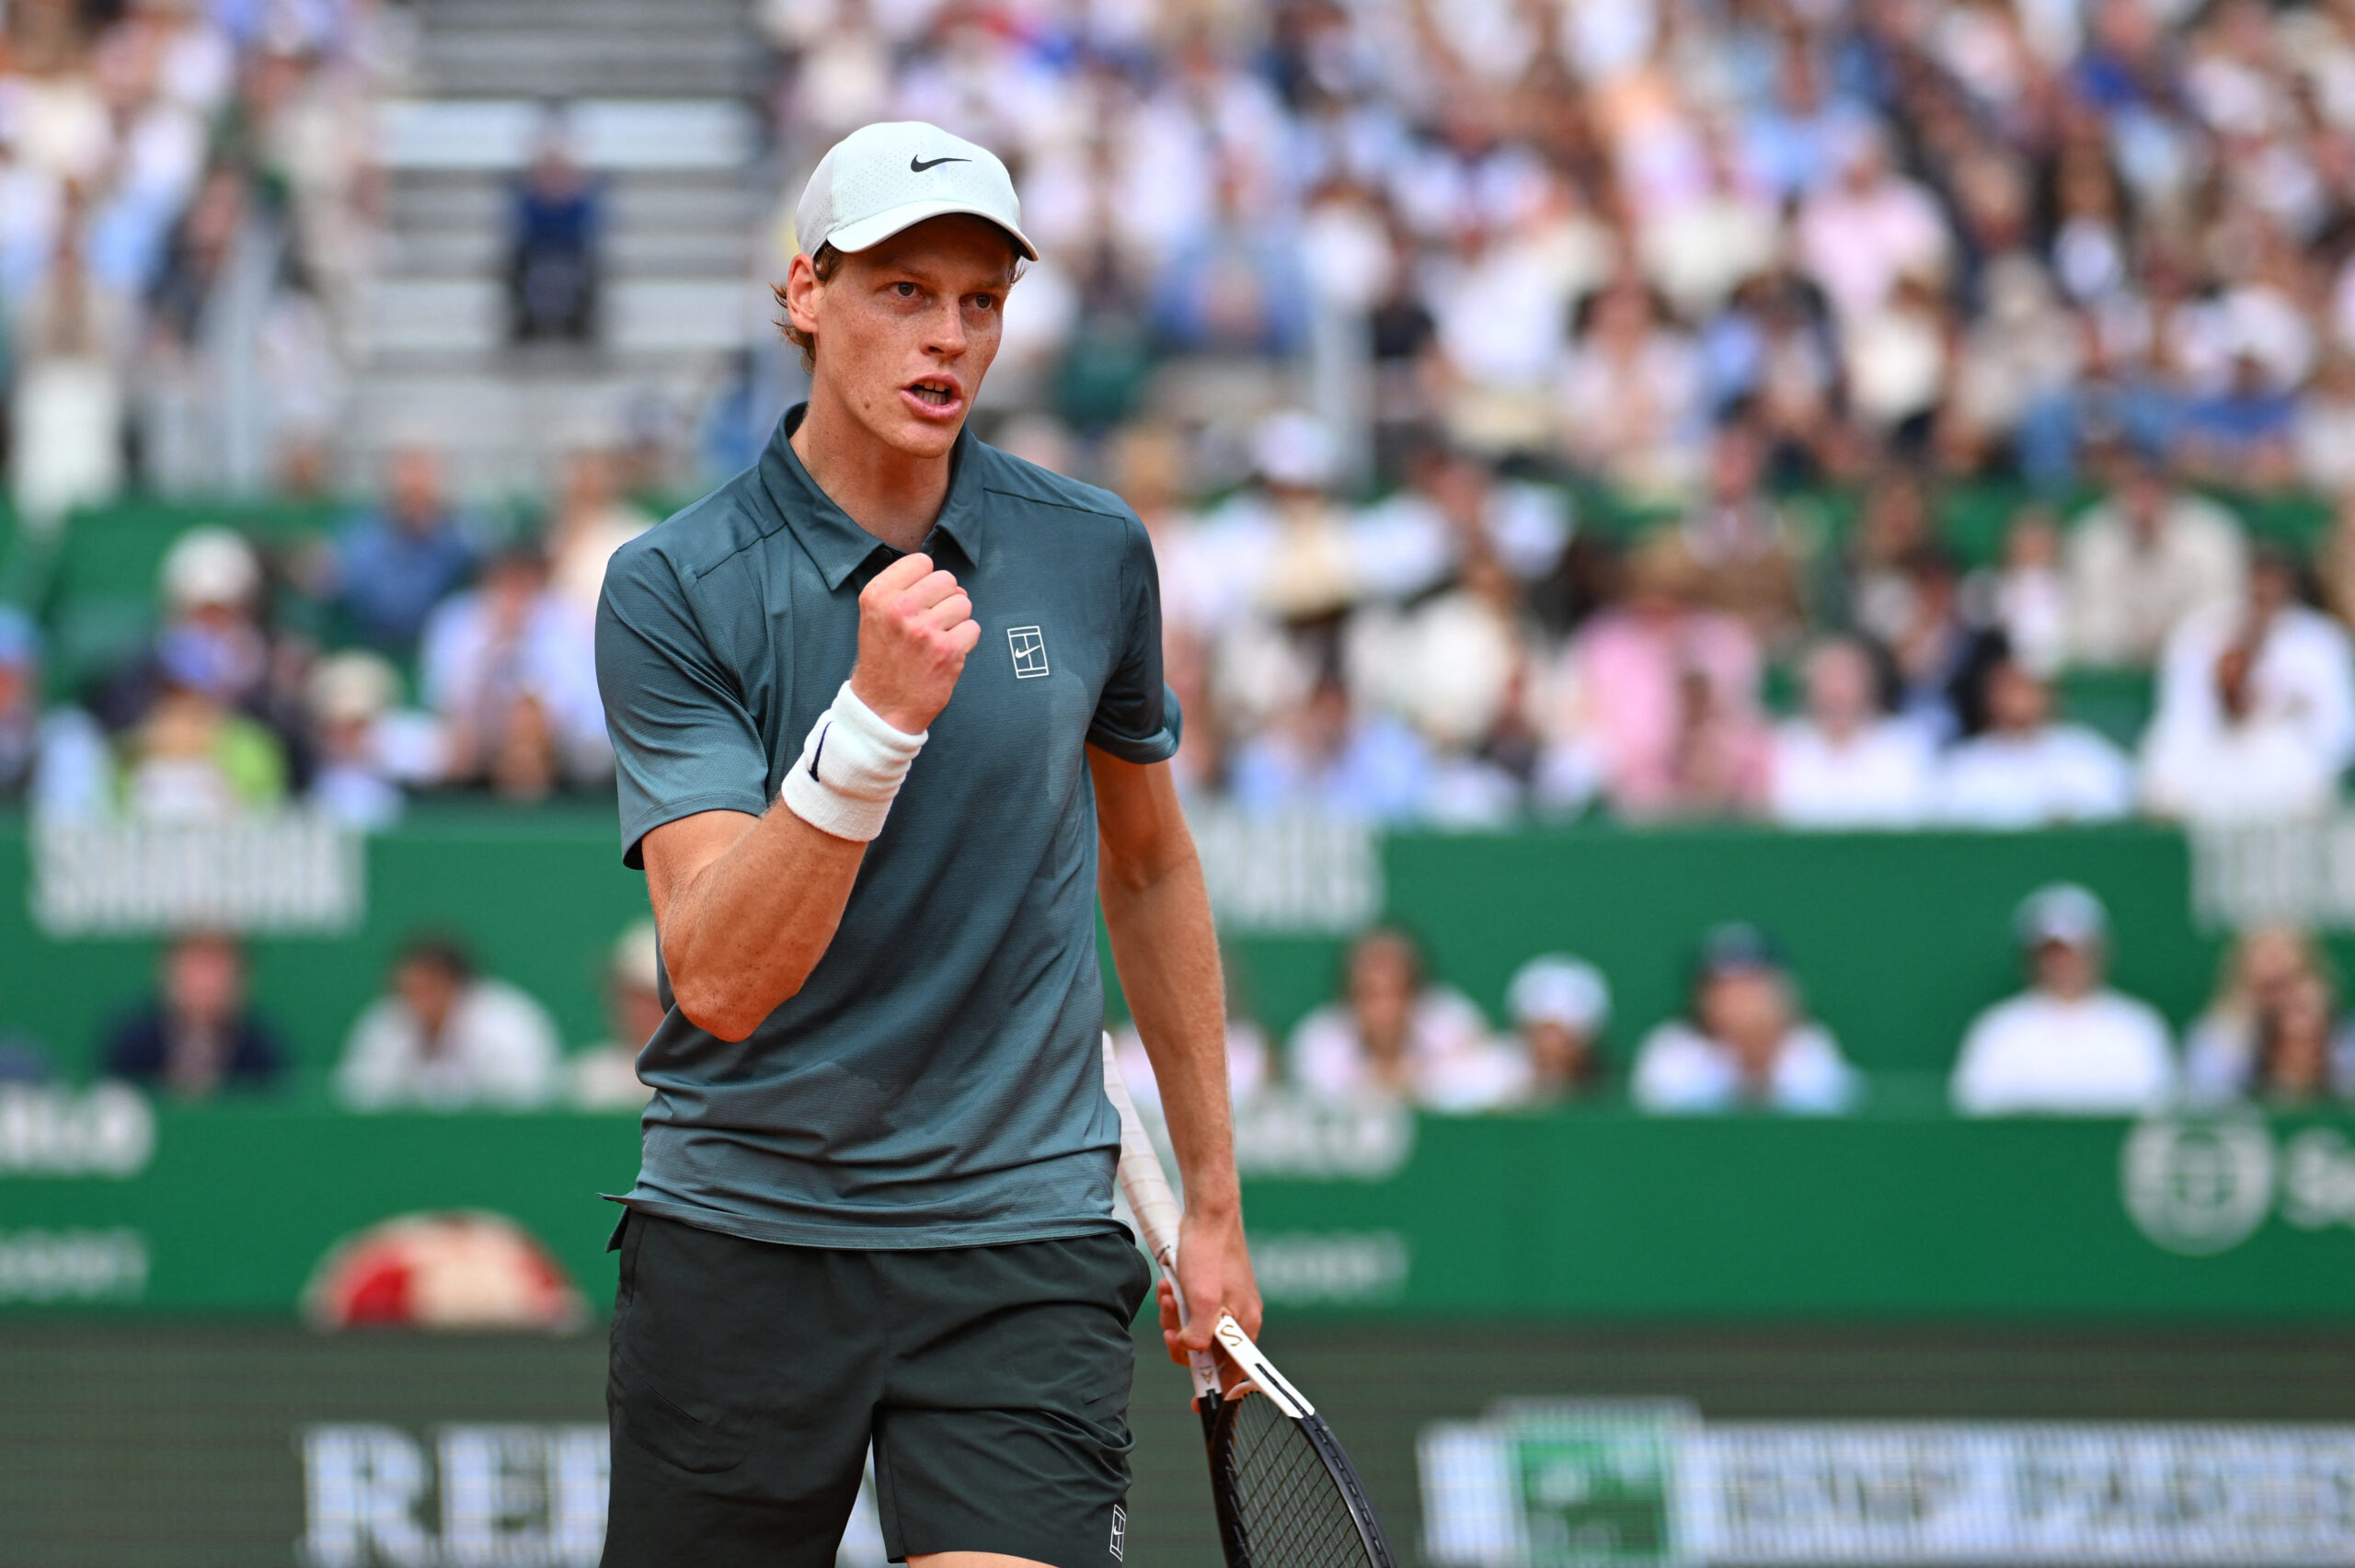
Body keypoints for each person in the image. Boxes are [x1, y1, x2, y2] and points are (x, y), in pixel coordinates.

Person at [591, 123, 1257, 1567]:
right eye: (901, 290)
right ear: (803, 295)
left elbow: (1146, 865)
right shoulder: (670, 587)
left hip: (1019, 1242)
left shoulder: (1091, 551)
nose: (947, 336)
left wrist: (1211, 1203)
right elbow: (716, 977)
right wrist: (872, 729)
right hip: (746, 1234)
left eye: (980, 300)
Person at [1950, 884, 2177, 1116]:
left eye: (2074, 951)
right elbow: (1974, 1110)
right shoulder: (1998, 1029)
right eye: (2051, 953)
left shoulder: (2139, 1027)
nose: (2063, 963)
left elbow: (2162, 1110)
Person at [1630, 923, 1862, 1115]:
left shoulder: (1811, 1044)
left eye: (1753, 985)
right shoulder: (1672, 1048)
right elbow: (1665, 1103)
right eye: (1725, 989)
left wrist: (1762, 1058)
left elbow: (1830, 1098)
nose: (1742, 1000)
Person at [1288, 927, 1513, 1110]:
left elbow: (1494, 1076)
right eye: (1369, 995)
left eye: (1398, 992)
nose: (1385, 1009)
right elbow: (1319, 1096)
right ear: (1348, 998)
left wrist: (1416, 1083)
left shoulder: (1452, 1023)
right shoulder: (1318, 1040)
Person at [333, 934, 562, 1111]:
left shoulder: (510, 1024)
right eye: (404, 990)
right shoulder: (384, 1020)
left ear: (454, 984)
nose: (413, 1003)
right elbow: (357, 1095)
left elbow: (525, 1100)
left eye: (425, 989)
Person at [2063, 451, 2246, 668]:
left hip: (2192, 661)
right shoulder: (2091, 537)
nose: (2144, 501)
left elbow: (2220, 611)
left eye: (2153, 488)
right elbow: (2089, 618)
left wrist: (2173, 641)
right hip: (2118, 661)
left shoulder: (2213, 533)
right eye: (2135, 488)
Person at [1936, 656, 2134, 828]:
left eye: (2027, 688)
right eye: (2009, 688)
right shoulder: (1964, 764)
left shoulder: (2088, 755)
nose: (2018, 699)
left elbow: (2115, 810)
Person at [1766, 637, 1935, 828]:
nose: (1837, 691)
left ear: (1870, 685)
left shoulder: (1905, 744)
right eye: (1828, 678)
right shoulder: (1782, 745)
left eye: (1847, 678)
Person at [101, 932, 288, 1099]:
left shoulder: (261, 1051)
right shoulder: (133, 1046)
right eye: (196, 968)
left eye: (217, 968)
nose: (206, 983)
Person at [2183, 927, 2349, 1105]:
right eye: (2267, 989)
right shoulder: (2214, 1042)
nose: (2279, 1003)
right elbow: (2209, 1103)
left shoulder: (2342, 1041)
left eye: (2286, 984)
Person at [571, 920, 662, 1110]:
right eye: (632, 997)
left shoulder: (712, 1078)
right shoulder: (586, 1077)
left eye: (652, 999)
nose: (641, 1011)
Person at [1502, 953, 1611, 1104]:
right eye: (1541, 1033)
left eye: (1566, 1040)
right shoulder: (1489, 1082)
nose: (1551, 1045)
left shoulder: (1604, 1092)